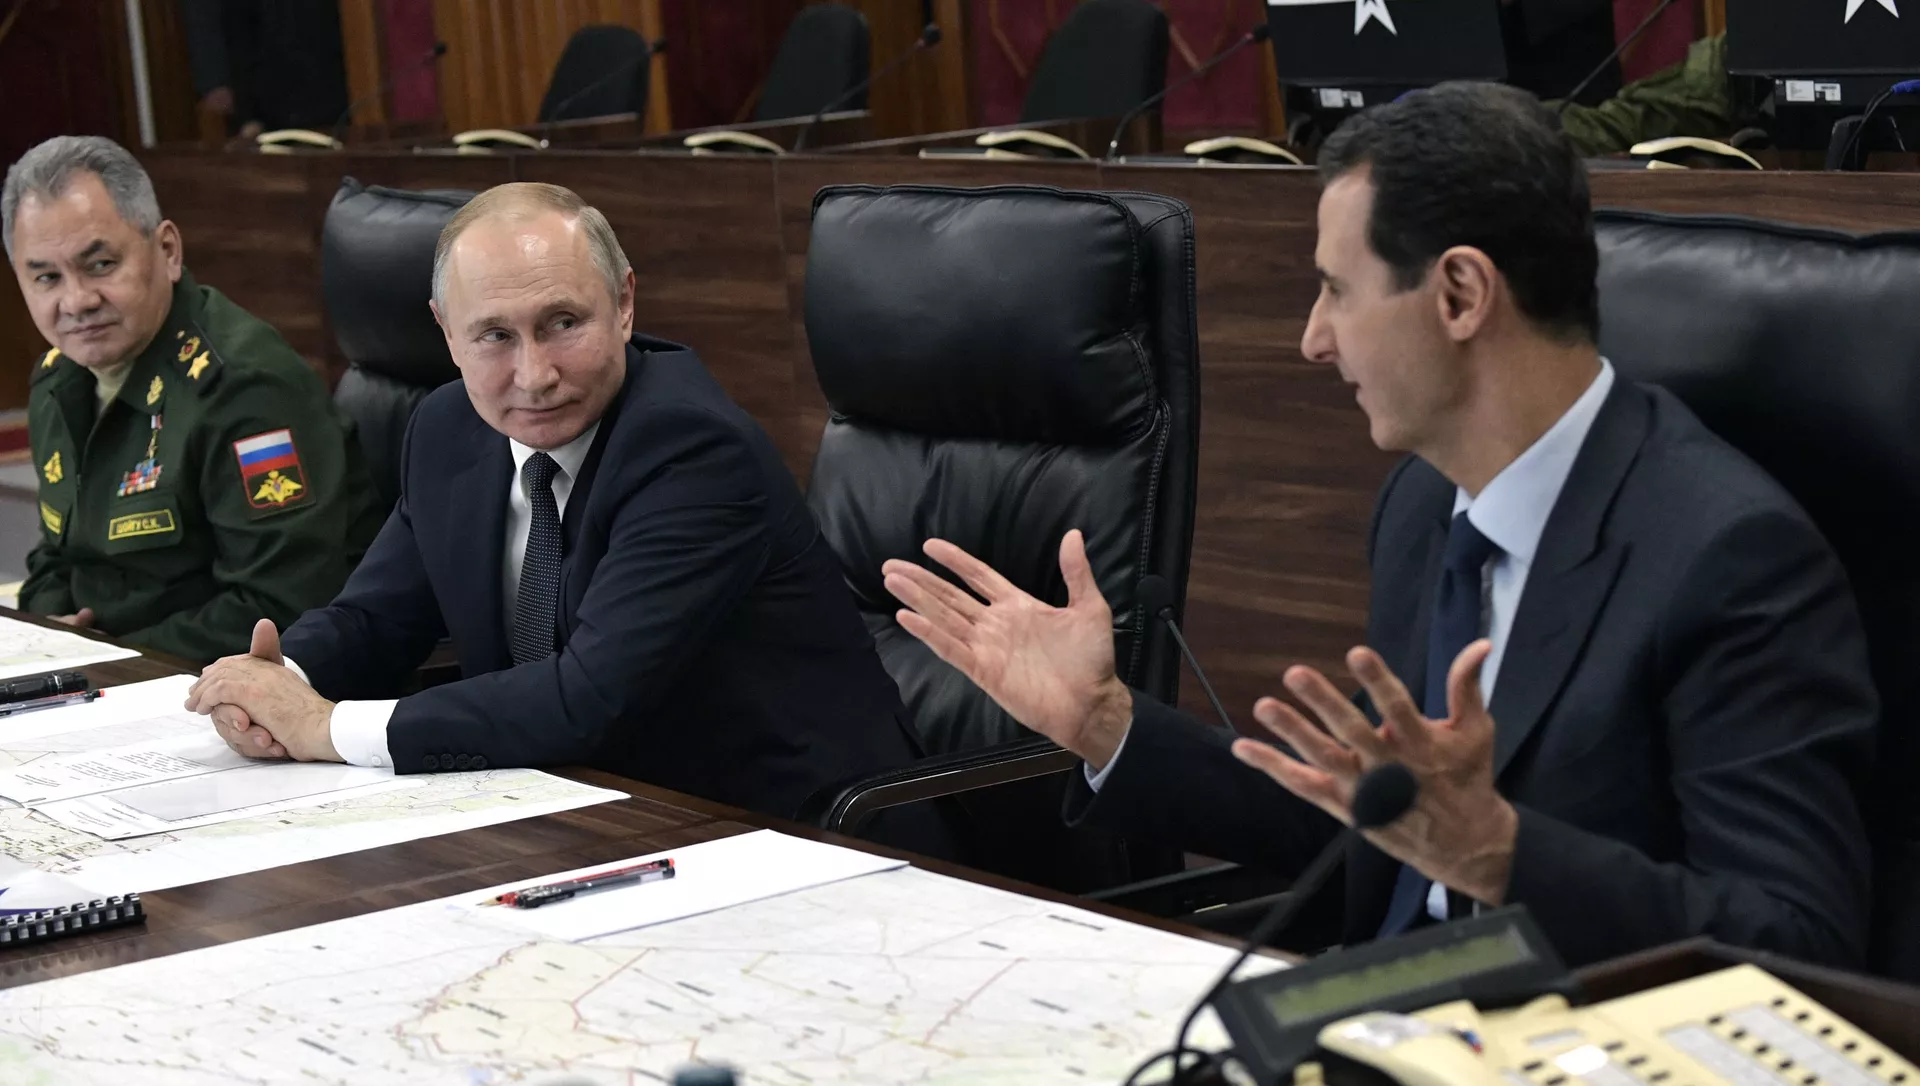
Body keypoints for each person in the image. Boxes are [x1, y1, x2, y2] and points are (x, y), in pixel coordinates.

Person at [881, 83, 1875, 968]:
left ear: (1460, 294)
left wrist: (1499, 854)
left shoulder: (1727, 555)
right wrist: (1103, 721)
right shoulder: (1423, 505)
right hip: (1379, 1007)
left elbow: (1796, 939)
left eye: (1336, 290)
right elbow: (1365, 818)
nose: (1312, 340)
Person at [183, 183, 945, 849]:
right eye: (494, 336)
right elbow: (377, 618)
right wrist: (276, 680)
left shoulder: (692, 450)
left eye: (562, 323)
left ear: (624, 304)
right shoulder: (450, 428)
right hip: (578, 812)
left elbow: (586, 699)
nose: (534, 375)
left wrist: (322, 727)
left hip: (783, 830)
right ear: (445, 331)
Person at [4, 135, 383, 665]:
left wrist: (108, 660)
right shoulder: (58, 380)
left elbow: (279, 606)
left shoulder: (245, 389)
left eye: (101, 264)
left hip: (219, 681)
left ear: (167, 251)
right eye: (47, 277)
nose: (77, 301)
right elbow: (57, 553)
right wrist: (55, 634)